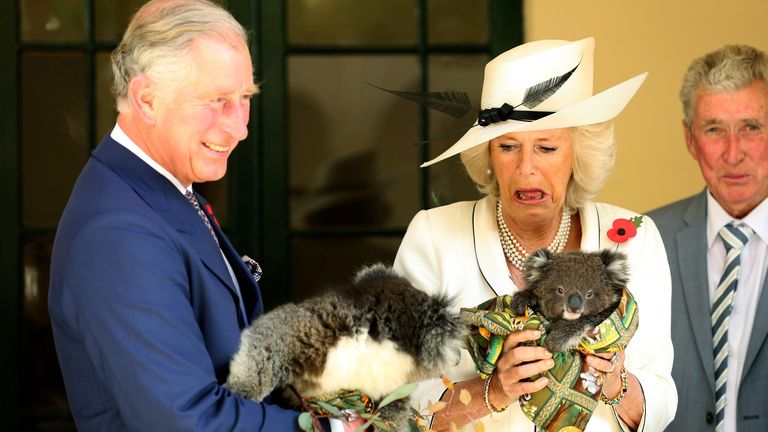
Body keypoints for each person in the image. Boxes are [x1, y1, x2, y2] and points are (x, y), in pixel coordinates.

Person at [48, 1, 357, 430]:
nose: (240, 127)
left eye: (244, 98)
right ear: (147, 99)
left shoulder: (159, 187)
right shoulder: (117, 232)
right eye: (217, 100)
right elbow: (186, 421)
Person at [394, 37, 677, 431]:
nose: (526, 168)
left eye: (546, 148)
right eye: (508, 147)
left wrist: (614, 383)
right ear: (489, 157)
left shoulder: (633, 238)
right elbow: (398, 402)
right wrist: (492, 390)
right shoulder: (434, 237)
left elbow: (661, 400)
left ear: (577, 154)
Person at [648, 44, 768, 432]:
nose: (733, 154)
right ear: (689, 139)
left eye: (751, 127)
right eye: (714, 129)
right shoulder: (647, 240)